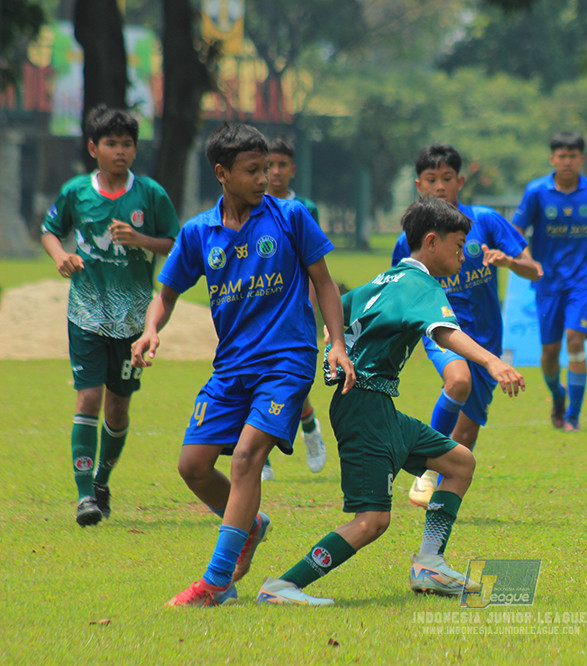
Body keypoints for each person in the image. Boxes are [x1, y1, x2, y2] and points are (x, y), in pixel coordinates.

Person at [256, 196, 525, 606]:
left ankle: (429, 563)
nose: (463, 255)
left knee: (459, 463)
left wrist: (335, 343)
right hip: (364, 409)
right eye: (458, 245)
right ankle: (283, 586)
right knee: (372, 521)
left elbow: (338, 313)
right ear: (431, 242)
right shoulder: (421, 285)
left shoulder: (385, 279)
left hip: (378, 407)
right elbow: (444, 332)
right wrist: (492, 362)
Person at [130, 123, 355, 607]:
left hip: (287, 359)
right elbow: (166, 293)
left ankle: (216, 583)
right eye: (253, 170)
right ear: (222, 173)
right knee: (193, 466)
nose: (265, 178)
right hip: (231, 366)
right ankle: (249, 527)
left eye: (267, 168)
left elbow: (324, 282)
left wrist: (336, 342)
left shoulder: (290, 216)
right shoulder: (198, 232)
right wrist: (150, 329)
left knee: (247, 457)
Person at [40, 104, 179, 527]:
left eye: (127, 144)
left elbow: (176, 244)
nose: (120, 151)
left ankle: (102, 479)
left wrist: (141, 239)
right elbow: (50, 231)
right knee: (88, 398)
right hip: (85, 313)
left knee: (118, 407)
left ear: (136, 149)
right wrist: (61, 256)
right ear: (93, 148)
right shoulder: (76, 191)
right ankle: (85, 496)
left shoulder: (151, 194)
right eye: (112, 143)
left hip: (133, 321)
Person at [391, 144, 541, 507]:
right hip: (441, 328)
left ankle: (440, 506)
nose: (440, 186)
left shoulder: (485, 221)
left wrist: (509, 262)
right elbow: (399, 290)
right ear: (419, 185)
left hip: (487, 336)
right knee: (458, 381)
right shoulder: (409, 240)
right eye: (431, 179)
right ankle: (425, 469)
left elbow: (534, 269)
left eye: (447, 178)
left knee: (467, 432)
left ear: (460, 181)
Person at [511, 131, 587, 432]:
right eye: (562, 156)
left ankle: (573, 416)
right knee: (550, 354)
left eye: (573, 156)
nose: (567, 162)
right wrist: (528, 260)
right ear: (552, 159)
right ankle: (558, 395)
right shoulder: (536, 192)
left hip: (581, 280)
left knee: (576, 341)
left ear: (582, 159)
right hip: (547, 283)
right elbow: (515, 231)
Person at [260, 136, 327, 480]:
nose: (274, 171)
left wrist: (310, 307)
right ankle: (260, 457)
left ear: (293, 169)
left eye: (281, 165)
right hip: (256, 307)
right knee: (255, 377)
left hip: (292, 308)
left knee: (292, 380)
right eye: (268, 164)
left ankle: (310, 426)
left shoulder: (304, 209)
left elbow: (313, 264)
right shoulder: (249, 204)